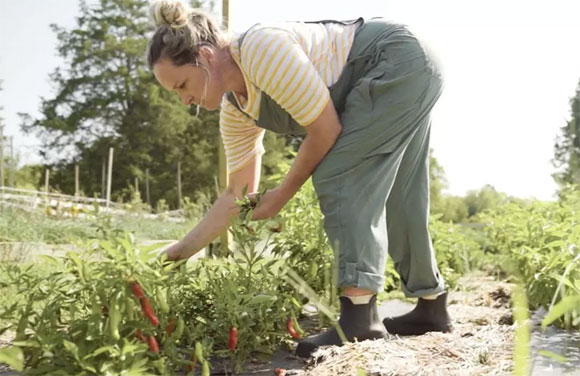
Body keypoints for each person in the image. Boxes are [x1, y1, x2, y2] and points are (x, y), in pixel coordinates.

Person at [147, 0, 452, 358]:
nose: (184, 100)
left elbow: (324, 130)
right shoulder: (236, 110)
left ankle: (359, 318)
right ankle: (432, 306)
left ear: (205, 56)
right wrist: (179, 253)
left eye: (182, 84)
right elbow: (236, 194)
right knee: (402, 192)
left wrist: (281, 194)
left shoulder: (260, 50)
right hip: (411, 63)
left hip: (395, 58)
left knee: (339, 173)